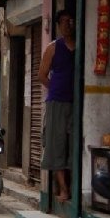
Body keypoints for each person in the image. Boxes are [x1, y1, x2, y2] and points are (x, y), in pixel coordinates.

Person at [38, 10, 75, 202]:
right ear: (59, 25)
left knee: (73, 145)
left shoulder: (81, 46)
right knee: (57, 145)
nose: (68, 25)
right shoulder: (53, 48)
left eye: (71, 21)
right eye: (64, 22)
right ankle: (63, 189)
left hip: (76, 102)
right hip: (57, 102)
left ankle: (72, 188)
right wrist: (56, 88)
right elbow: (41, 75)